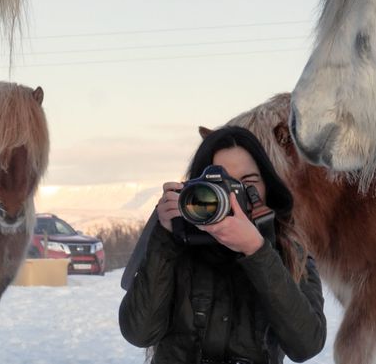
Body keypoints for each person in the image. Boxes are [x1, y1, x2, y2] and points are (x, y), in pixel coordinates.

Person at [119, 126, 326, 364]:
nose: (233, 195)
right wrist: (165, 235)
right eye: (223, 184)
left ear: (268, 187)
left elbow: (306, 345)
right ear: (197, 188)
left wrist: (258, 251)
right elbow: (138, 332)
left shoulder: (289, 249)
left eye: (247, 182)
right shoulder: (176, 243)